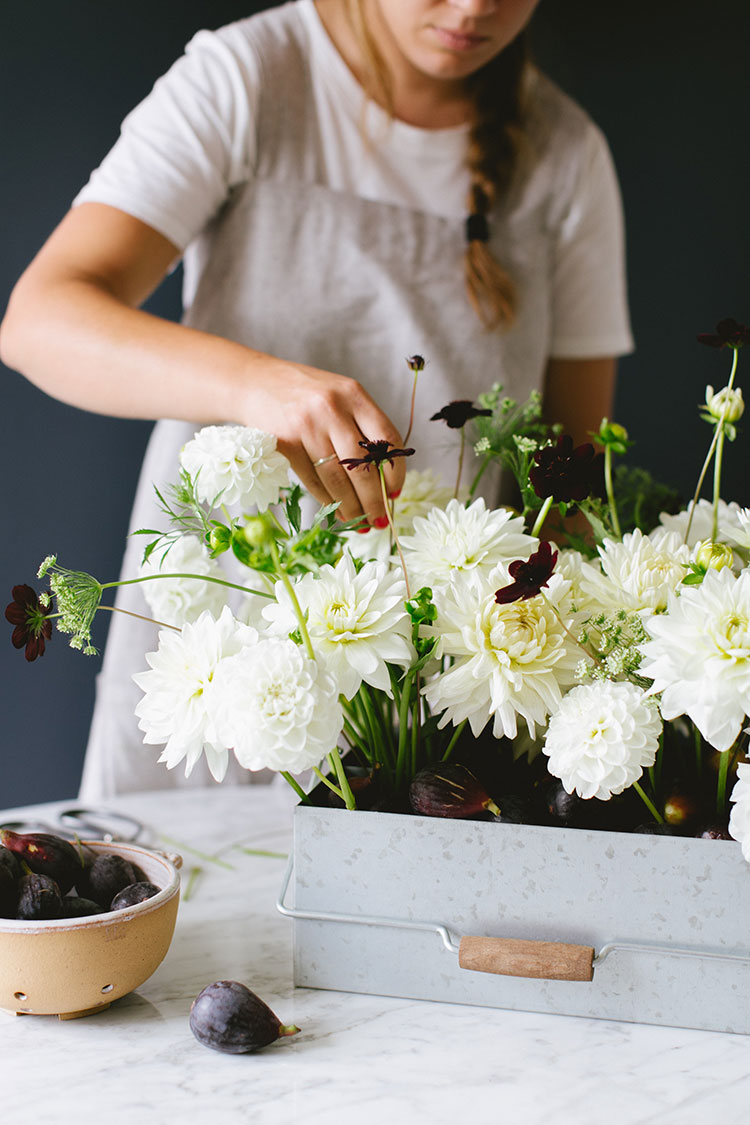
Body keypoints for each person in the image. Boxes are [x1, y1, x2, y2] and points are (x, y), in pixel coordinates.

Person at [0, 0, 633, 798]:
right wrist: (259, 385)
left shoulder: (567, 157)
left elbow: (572, 488)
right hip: (214, 671)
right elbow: (39, 320)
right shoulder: (251, 78)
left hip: (432, 696)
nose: (476, 8)